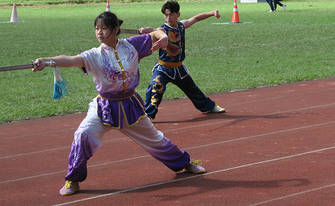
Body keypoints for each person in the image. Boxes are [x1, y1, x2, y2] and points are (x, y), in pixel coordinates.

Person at [32, 12, 206, 196]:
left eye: (104, 28)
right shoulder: (94, 55)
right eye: (97, 28)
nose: (99, 32)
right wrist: (46, 61)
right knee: (83, 135)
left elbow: (157, 33)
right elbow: (71, 59)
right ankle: (73, 180)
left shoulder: (132, 45)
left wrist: (163, 38)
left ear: (116, 30)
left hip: (130, 106)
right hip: (104, 107)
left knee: (156, 139)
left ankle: (184, 163)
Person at [140, 1, 226, 120]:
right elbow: (155, 30)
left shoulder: (181, 26)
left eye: (171, 14)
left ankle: (209, 106)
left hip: (179, 69)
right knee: (156, 86)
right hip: (163, 68)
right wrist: (146, 30)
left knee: (192, 89)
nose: (168, 17)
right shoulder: (163, 30)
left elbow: (196, 18)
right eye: (165, 15)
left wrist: (212, 13)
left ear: (178, 14)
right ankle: (148, 115)